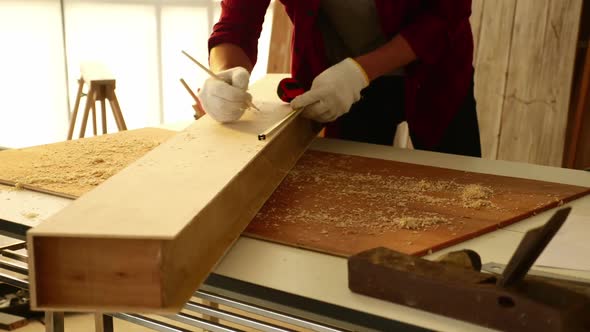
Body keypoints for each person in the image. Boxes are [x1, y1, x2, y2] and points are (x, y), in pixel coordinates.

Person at [198, 0, 481, 157]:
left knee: (462, 192)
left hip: (434, 75)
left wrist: (359, 72)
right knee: (360, 201)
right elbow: (237, 24)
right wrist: (224, 75)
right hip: (337, 84)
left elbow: (446, 14)